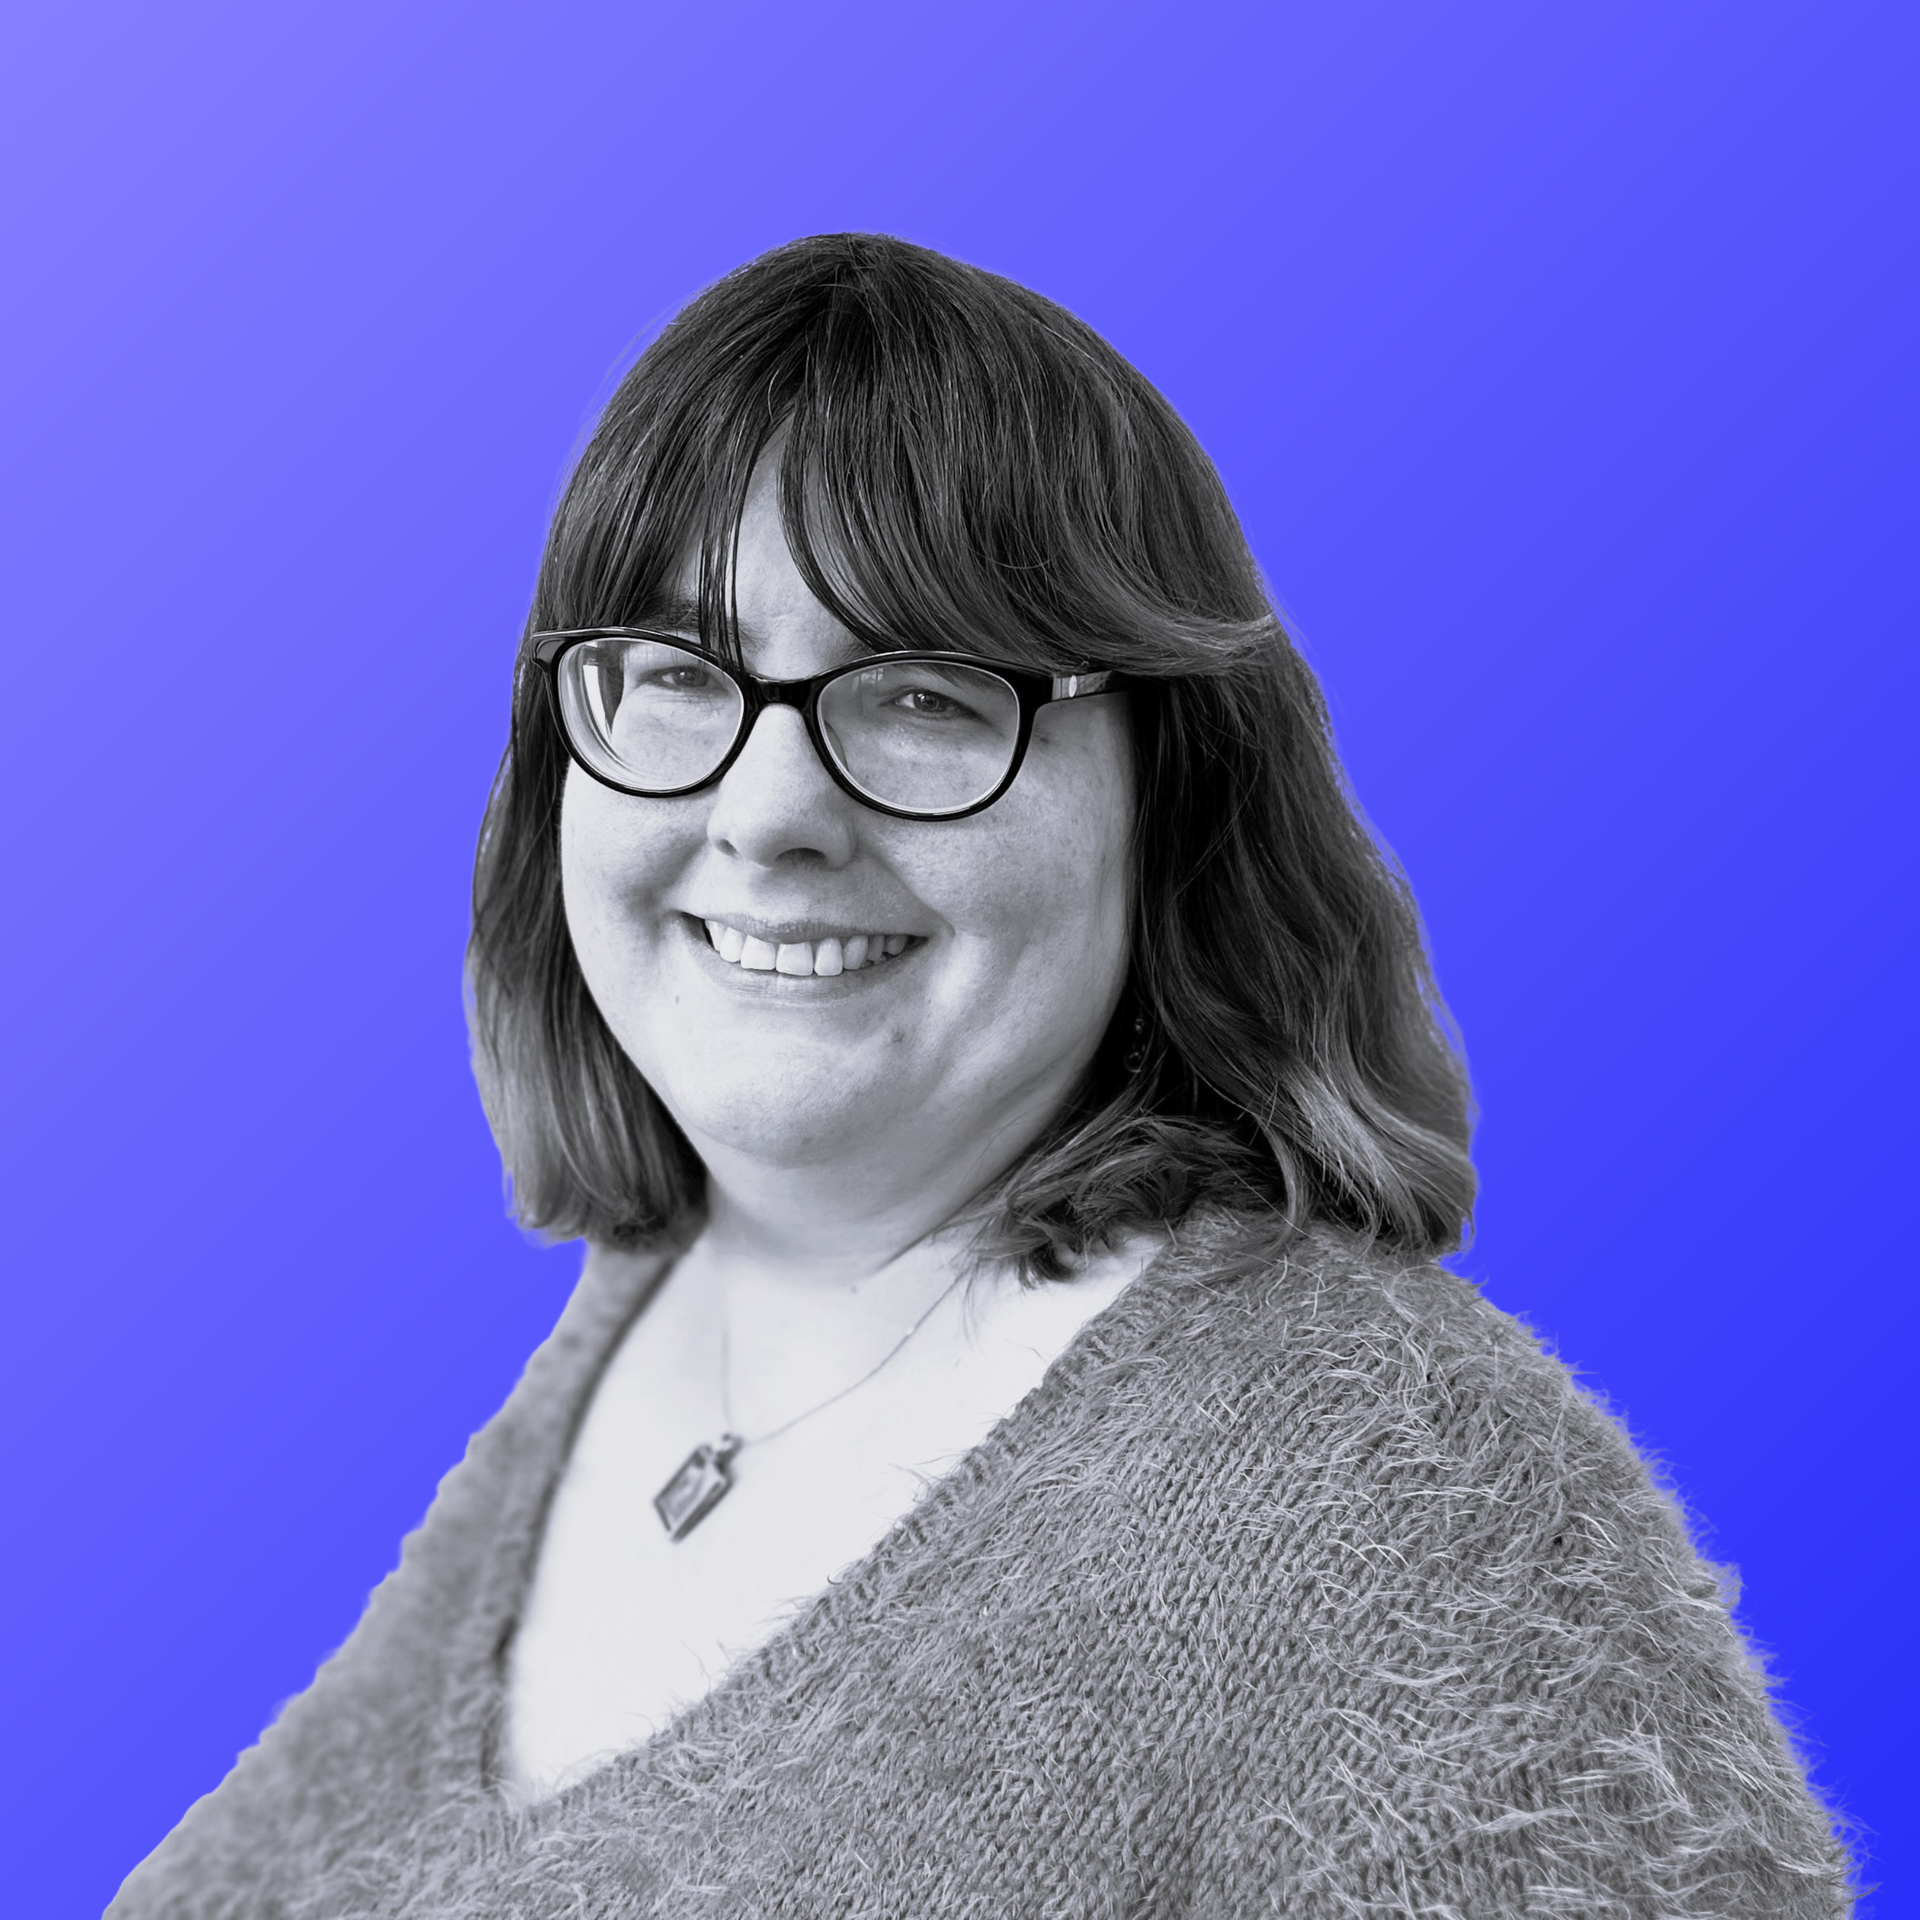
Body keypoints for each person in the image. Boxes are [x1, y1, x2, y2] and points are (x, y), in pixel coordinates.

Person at [110, 233, 1853, 1917]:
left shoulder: (1428, 1534)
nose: (769, 812)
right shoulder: (628, 1328)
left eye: (928, 693)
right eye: (670, 674)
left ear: (1169, 793)